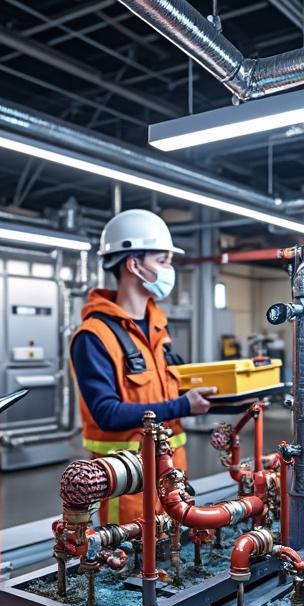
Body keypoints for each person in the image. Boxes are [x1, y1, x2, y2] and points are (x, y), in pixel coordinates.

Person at [71, 209, 215, 525]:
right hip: (126, 486)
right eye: (162, 261)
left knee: (172, 557)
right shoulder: (93, 336)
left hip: (172, 477)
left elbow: (167, 387)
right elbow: (106, 414)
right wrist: (183, 406)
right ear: (134, 265)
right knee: (126, 565)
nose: (169, 270)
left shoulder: (157, 329)